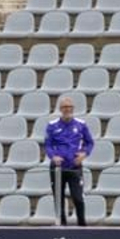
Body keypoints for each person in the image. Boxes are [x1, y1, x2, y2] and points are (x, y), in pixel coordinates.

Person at [43, 96, 94, 227]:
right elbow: (48, 145)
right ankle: (62, 225)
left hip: (74, 167)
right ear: (60, 109)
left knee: (78, 197)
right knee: (58, 198)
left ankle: (82, 224)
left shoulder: (80, 124)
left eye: (70, 107)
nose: (68, 109)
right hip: (58, 168)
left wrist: (84, 154)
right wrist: (53, 157)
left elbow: (90, 142)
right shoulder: (52, 125)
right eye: (65, 107)